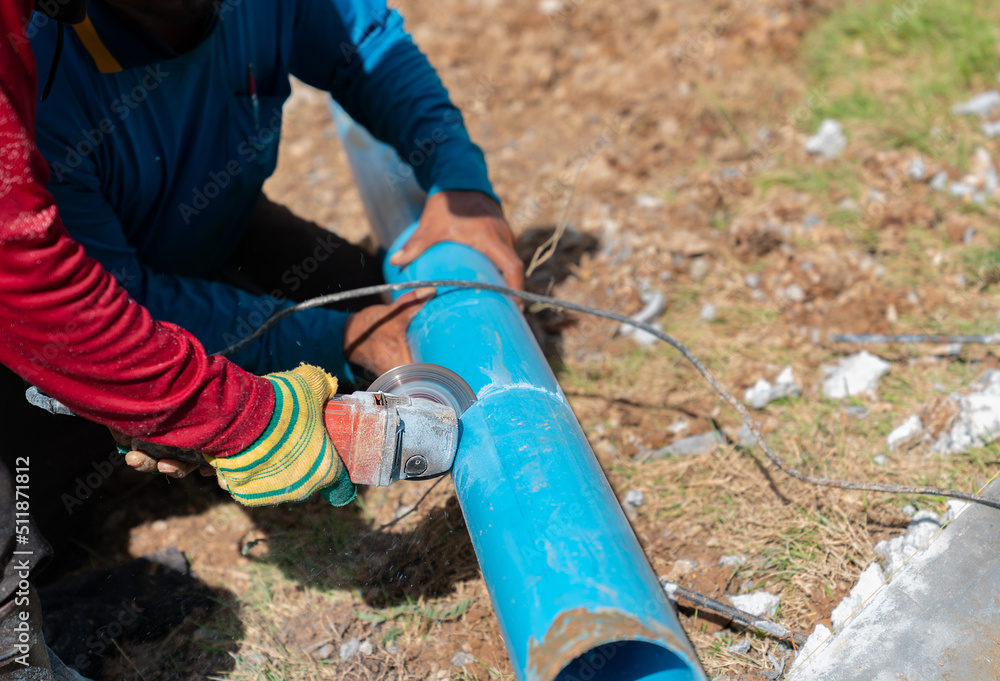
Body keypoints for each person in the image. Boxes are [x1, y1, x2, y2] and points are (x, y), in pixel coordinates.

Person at [1, 0, 518, 677]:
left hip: (212, 230)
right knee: (24, 518)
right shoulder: (41, 73)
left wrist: (458, 180)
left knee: (376, 300)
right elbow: (78, 304)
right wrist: (314, 359)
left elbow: (364, 44)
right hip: (61, 324)